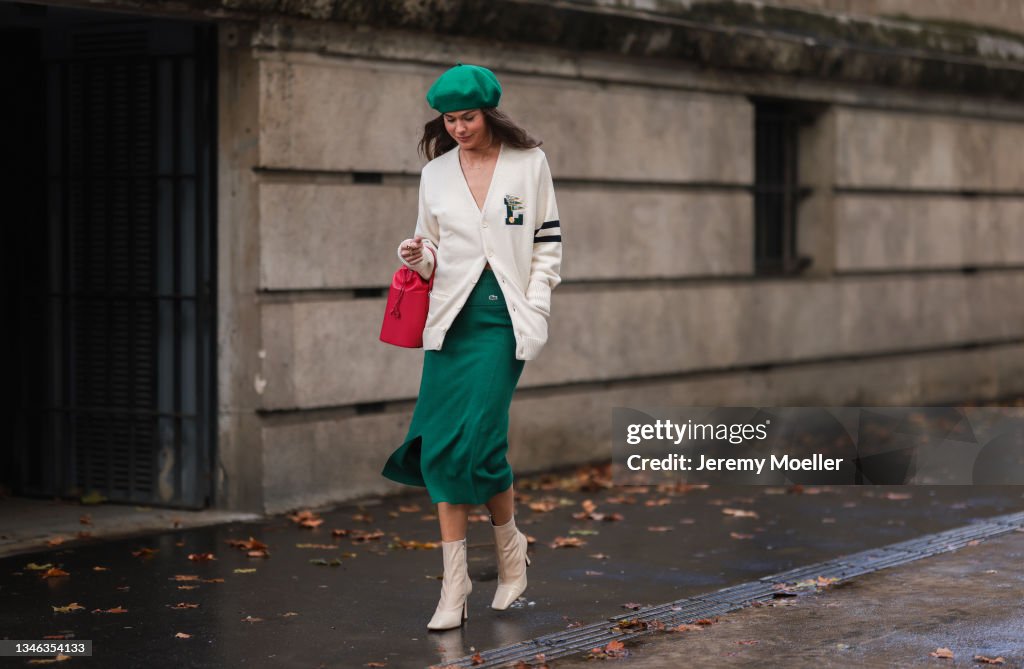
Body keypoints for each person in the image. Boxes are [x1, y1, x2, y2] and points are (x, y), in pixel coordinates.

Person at [380, 62, 562, 631]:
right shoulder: (434, 174)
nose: (458, 127)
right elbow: (432, 248)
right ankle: (471, 573)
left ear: (489, 114)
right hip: (449, 321)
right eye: (450, 118)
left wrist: (535, 303)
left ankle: (491, 562)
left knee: (472, 443)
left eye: (468, 117)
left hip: (502, 322)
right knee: (443, 447)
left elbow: (547, 242)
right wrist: (419, 258)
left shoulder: (529, 164)